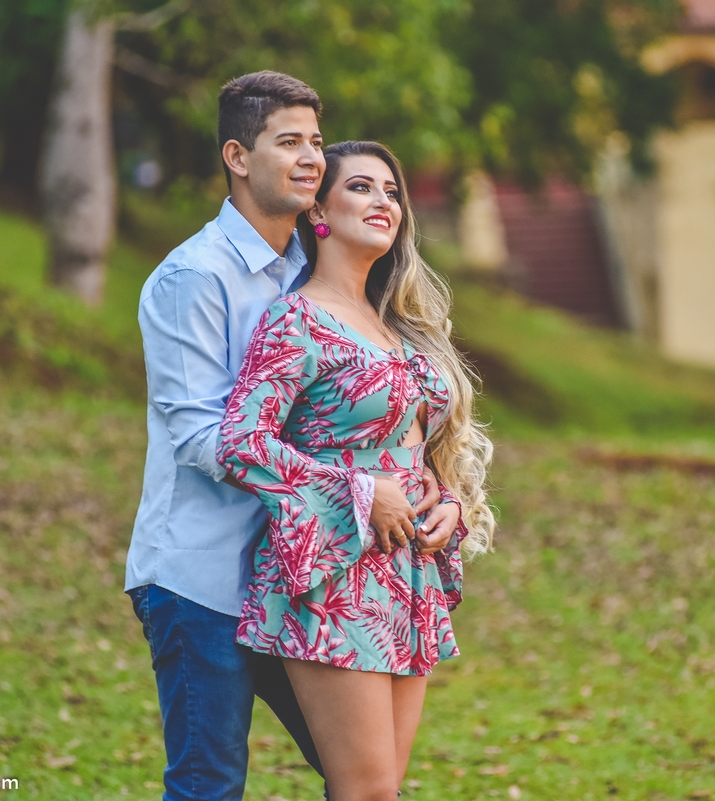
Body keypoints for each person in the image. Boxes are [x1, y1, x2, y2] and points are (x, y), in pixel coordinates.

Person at [124, 73, 464, 801]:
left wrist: (424, 490)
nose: (311, 156)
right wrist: (354, 487)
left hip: (307, 564)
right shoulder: (195, 276)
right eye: (290, 142)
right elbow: (202, 437)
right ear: (238, 156)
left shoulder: (302, 274)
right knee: (211, 782)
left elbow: (356, 421)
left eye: (316, 140)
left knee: (366, 777)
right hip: (203, 574)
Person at [217, 140, 495, 801]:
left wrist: (447, 502)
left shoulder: (399, 326)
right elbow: (240, 442)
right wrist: (359, 491)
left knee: (381, 790)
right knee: (366, 790)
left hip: (407, 572)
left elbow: (413, 448)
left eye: (392, 192)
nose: (384, 202)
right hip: (330, 571)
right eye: (363, 188)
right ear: (319, 210)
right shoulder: (297, 319)